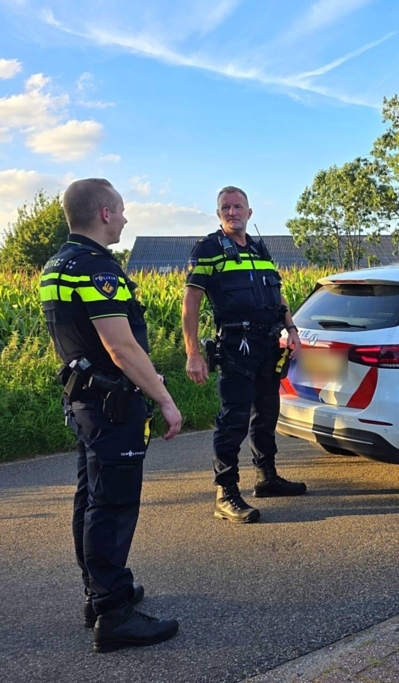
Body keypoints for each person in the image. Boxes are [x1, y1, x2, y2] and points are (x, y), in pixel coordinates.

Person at [40, 178, 181, 652]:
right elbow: (120, 347)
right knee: (114, 506)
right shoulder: (97, 268)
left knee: (92, 498)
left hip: (85, 402)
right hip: (111, 405)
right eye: (120, 210)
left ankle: (101, 592)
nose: (124, 218)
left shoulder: (57, 263)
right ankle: (113, 615)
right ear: (103, 213)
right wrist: (164, 397)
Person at [182, 186, 306, 524]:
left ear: (249, 212)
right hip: (237, 347)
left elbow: (277, 293)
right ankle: (226, 493)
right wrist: (193, 352)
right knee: (232, 420)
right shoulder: (208, 248)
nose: (232, 212)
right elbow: (191, 301)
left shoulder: (258, 247)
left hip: (268, 344)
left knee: (266, 414)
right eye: (226, 207)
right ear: (219, 213)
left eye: (238, 207)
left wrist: (291, 329)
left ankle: (267, 478)